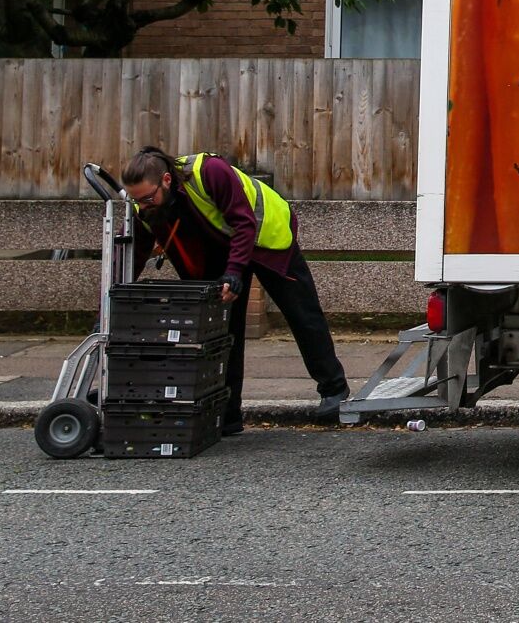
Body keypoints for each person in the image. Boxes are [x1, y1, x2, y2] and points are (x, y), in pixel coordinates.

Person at [121, 146, 349, 434]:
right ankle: (227, 414)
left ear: (166, 179)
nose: (143, 206)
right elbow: (137, 252)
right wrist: (115, 293)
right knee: (223, 331)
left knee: (302, 314)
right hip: (223, 246)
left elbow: (244, 222)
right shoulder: (149, 204)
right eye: (136, 201)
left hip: (268, 237)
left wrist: (234, 272)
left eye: (147, 198)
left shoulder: (208, 172)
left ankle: (334, 390)